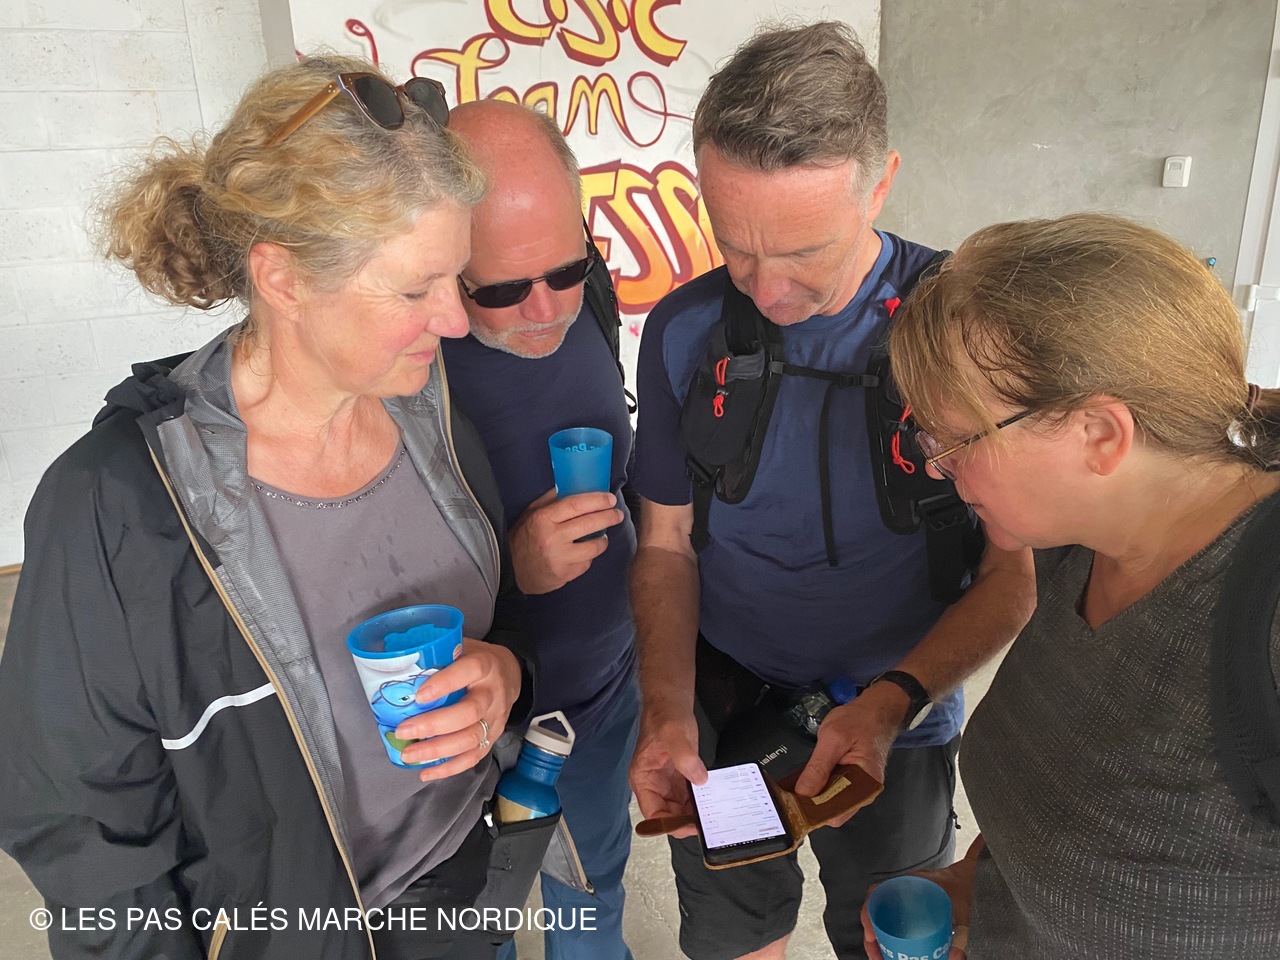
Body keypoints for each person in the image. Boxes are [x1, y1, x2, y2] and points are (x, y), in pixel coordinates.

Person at [0, 55, 536, 960]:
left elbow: (502, 614)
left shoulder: (433, 416)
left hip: (464, 893)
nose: (455, 319)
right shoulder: (115, 505)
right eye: (415, 290)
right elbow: (86, 840)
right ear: (283, 280)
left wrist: (508, 677)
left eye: (455, 277)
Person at [627, 21, 1035, 960]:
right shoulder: (685, 332)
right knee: (735, 932)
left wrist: (894, 700)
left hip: (904, 712)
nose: (767, 290)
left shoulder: (963, 329)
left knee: (899, 934)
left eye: (803, 251)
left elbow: (1013, 578)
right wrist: (667, 708)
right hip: (729, 708)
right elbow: (663, 544)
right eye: (736, 247)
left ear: (880, 184)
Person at [859, 212, 1280, 959]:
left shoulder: (1260, 626)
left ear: (1100, 436)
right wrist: (975, 885)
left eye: (957, 440)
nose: (934, 466)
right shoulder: (1074, 549)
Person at [441, 100, 638, 960]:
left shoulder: (591, 297)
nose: (544, 309)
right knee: (472, 926)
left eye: (564, 269)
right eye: (502, 290)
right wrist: (508, 569)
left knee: (591, 898)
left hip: (603, 691)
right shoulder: (405, 361)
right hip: (470, 725)